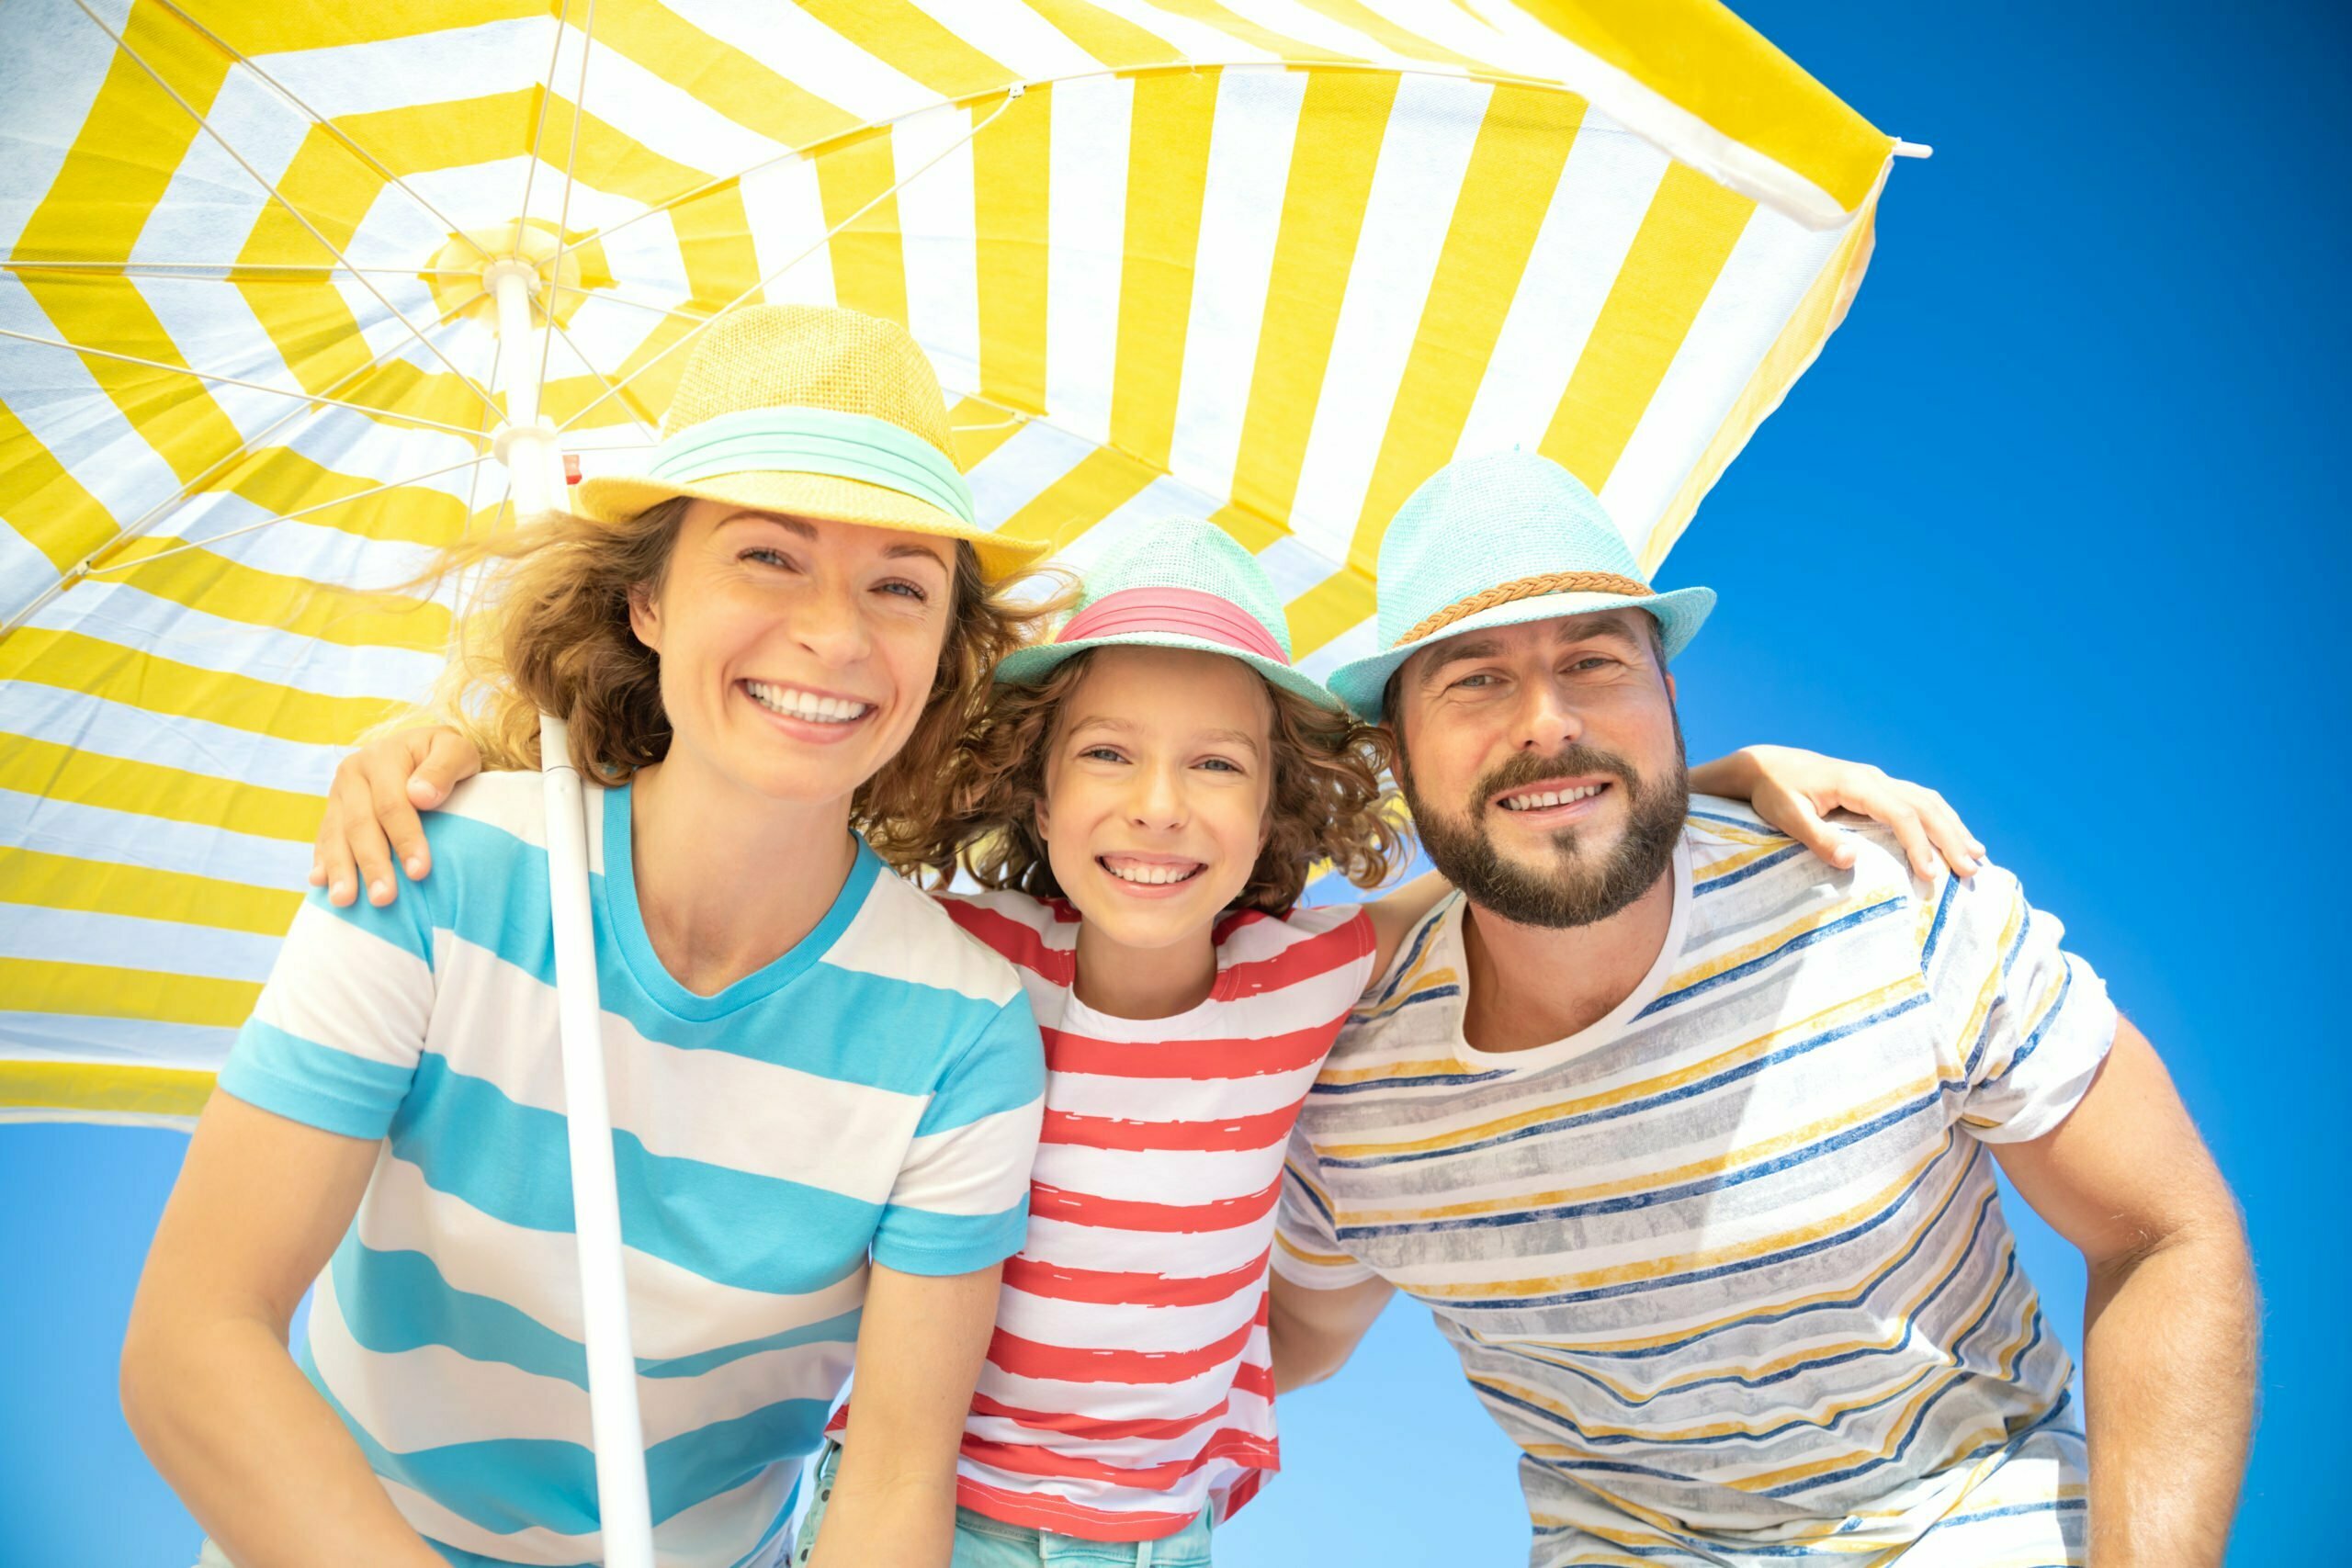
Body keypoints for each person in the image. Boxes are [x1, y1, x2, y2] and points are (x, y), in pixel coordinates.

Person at [312, 525, 1982, 1564]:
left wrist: (1731, 772)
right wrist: (445, 745)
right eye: (1104, 754)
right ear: (1031, 790)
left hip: (1168, 1529)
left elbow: (1516, 866)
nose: (1158, 810)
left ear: (1283, 815)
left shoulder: (1320, 966)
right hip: (918, 1515)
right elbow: (743, 844)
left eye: (1220, 769)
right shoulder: (957, 959)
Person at [120, 305, 1057, 1568]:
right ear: (649, 600)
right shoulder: (432, 872)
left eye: (900, 583)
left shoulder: (963, 1030)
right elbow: (193, 1339)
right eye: (770, 556)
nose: (838, 632)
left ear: (944, 651)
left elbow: (893, 1479)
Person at [1268, 450, 2259, 1566]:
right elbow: (1288, 1335)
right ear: (1396, 752)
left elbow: (2164, 1231)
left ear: (1667, 700)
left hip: (1967, 1517)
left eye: (1593, 661)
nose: (1546, 721)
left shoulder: (1893, 906)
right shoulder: (1342, 1070)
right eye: (1475, 681)